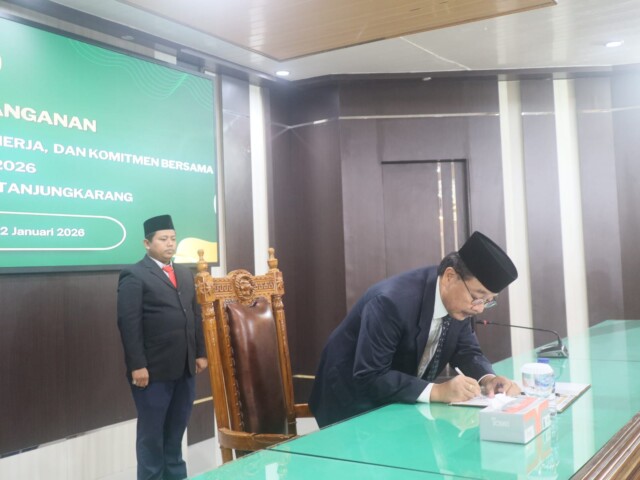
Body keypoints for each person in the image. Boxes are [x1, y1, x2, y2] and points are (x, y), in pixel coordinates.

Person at [309, 231, 521, 427]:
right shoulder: (391, 302)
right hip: (349, 401)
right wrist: (438, 391)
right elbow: (370, 376)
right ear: (450, 277)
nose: (480, 308)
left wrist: (489, 379)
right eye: (478, 297)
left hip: (395, 399)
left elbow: (466, 351)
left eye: (488, 301)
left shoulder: (460, 303)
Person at [117, 214, 208, 480]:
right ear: (147, 243)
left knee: (176, 432)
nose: (170, 244)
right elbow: (128, 324)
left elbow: (195, 315)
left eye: (173, 238)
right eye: (163, 239)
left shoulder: (184, 273)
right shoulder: (134, 274)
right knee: (152, 436)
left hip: (185, 368)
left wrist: (200, 352)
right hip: (153, 372)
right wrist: (137, 365)